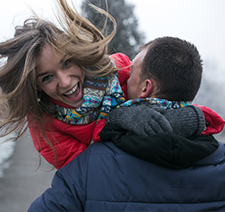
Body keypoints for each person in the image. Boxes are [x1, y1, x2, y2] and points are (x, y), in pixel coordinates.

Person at [0, 0, 208, 169]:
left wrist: (189, 117)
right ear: (36, 86)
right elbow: (93, 172)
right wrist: (117, 120)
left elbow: (169, 107)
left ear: (77, 53)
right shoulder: (46, 127)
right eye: (47, 77)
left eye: (67, 62)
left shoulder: (120, 71)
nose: (65, 82)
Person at [28, 37, 225, 212]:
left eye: (130, 73)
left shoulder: (89, 169)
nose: (122, 80)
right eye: (47, 77)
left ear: (146, 88)